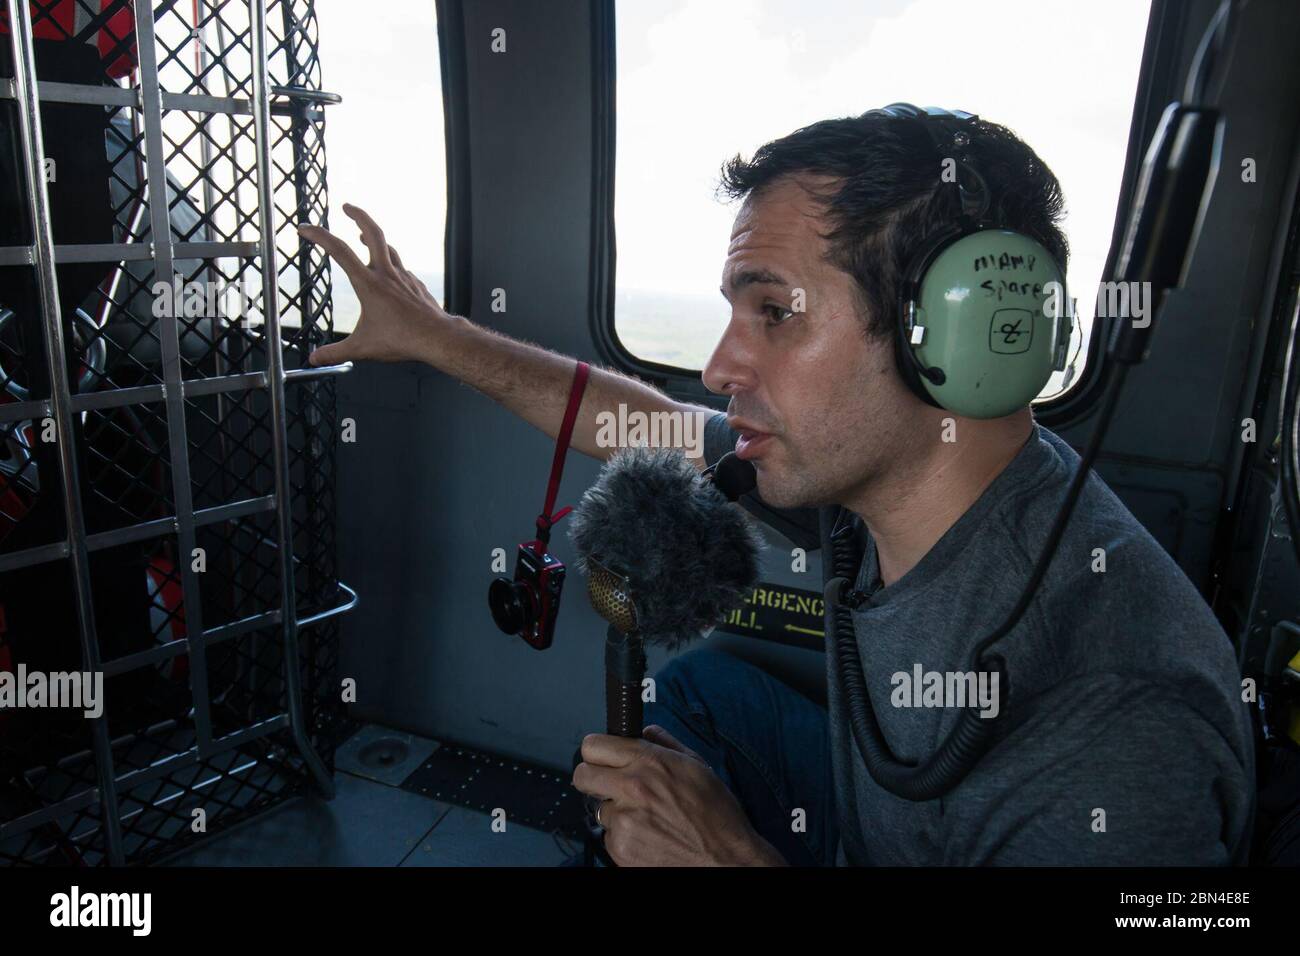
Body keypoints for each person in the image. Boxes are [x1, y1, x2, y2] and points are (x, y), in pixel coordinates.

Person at [298, 108, 1254, 866]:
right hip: (873, 826)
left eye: (775, 313)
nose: (718, 367)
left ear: (951, 338)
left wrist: (729, 860)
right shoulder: (887, 473)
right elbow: (639, 423)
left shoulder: (1117, 730)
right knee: (706, 692)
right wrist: (439, 339)